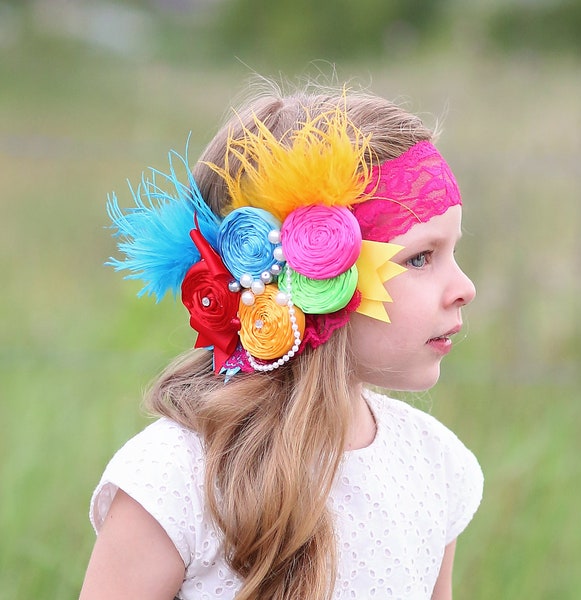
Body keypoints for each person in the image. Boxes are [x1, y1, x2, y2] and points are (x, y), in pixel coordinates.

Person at [80, 81, 483, 600]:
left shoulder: (432, 464)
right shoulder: (178, 477)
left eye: (453, 250)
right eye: (421, 258)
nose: (465, 288)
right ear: (316, 280)